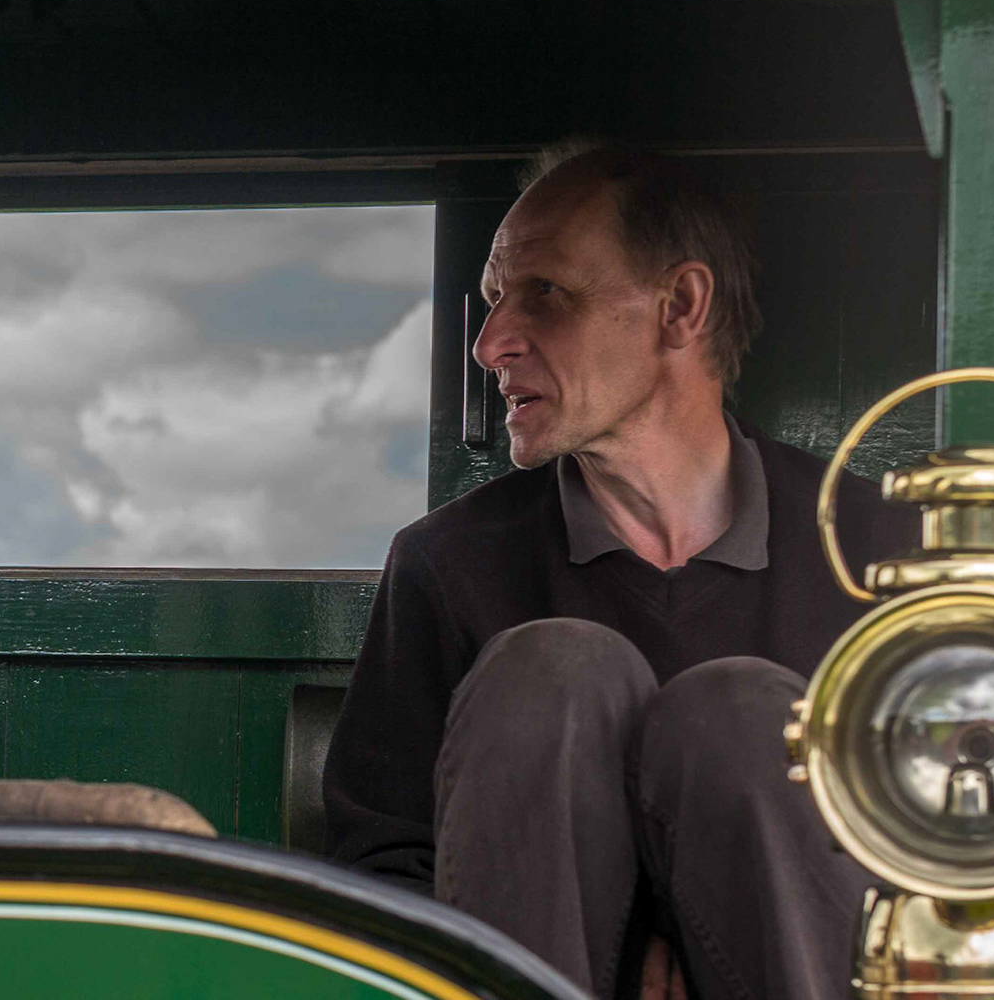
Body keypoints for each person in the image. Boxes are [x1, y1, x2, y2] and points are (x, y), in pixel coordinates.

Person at [322, 141, 914, 1000]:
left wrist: (708, 948)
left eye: (545, 294)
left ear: (680, 305)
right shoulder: (446, 564)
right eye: (492, 302)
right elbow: (382, 880)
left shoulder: (877, 549)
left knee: (744, 713)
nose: (490, 343)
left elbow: (950, 861)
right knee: (551, 671)